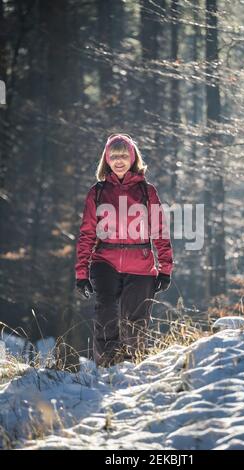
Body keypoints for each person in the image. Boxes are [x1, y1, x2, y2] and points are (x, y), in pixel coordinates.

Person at [75, 133, 174, 367]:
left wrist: (165, 268)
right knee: (106, 312)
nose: (118, 160)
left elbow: (159, 231)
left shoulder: (147, 191)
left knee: (135, 320)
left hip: (140, 264)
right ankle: (107, 367)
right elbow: (87, 233)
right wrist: (82, 273)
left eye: (123, 155)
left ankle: (133, 367)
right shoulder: (97, 192)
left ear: (132, 158)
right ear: (106, 159)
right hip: (105, 261)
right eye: (113, 155)